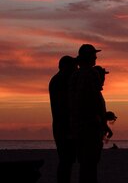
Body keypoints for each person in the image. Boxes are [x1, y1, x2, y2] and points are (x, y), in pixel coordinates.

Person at [68, 44, 105, 183]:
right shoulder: (91, 73)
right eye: (93, 55)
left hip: (77, 125)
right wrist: (102, 119)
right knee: (91, 163)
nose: (96, 58)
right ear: (88, 57)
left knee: (84, 163)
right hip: (90, 125)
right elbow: (96, 99)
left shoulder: (74, 76)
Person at [49, 55, 78, 183]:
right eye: (73, 67)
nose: (76, 69)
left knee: (67, 161)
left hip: (63, 126)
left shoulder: (59, 80)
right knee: (66, 160)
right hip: (64, 127)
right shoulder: (60, 81)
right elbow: (65, 105)